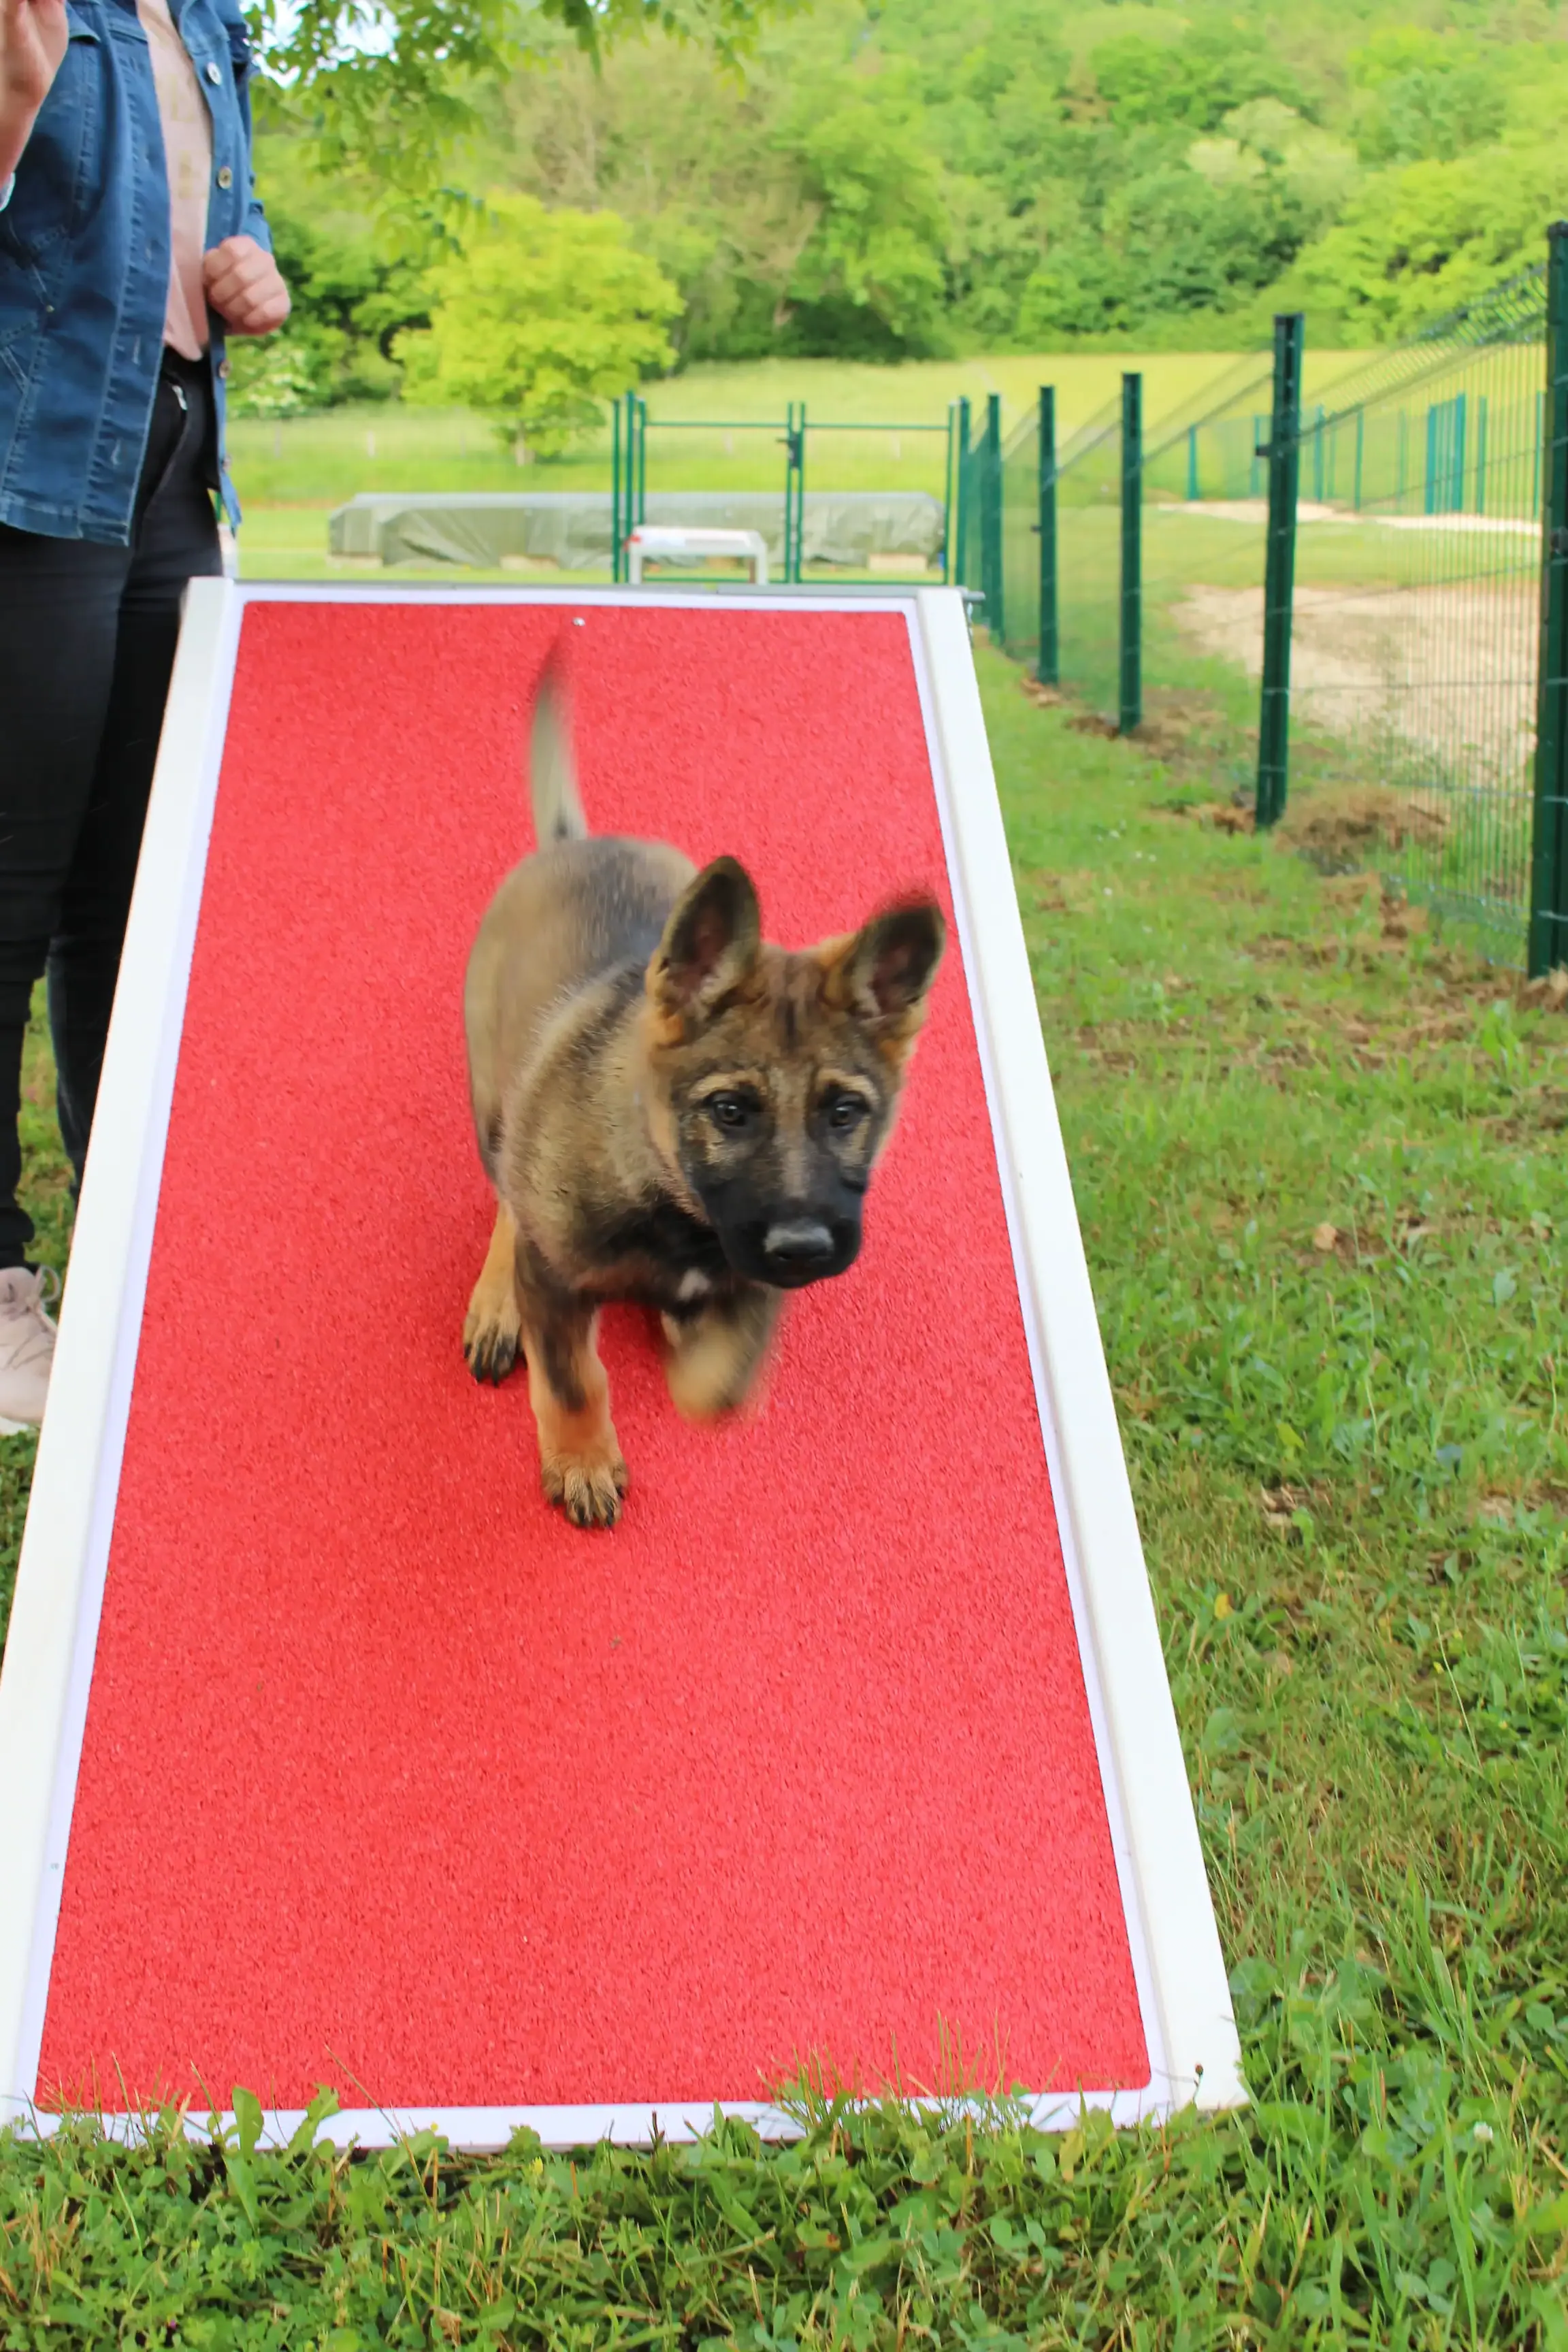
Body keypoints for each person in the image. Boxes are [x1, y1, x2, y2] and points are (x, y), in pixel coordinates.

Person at [0, 0, 288, 1429]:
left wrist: (252, 270)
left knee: (132, 900)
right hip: (30, 468)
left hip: (174, 468)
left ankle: (128, 1253)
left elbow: (204, 219)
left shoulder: (210, 20)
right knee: (12, 889)